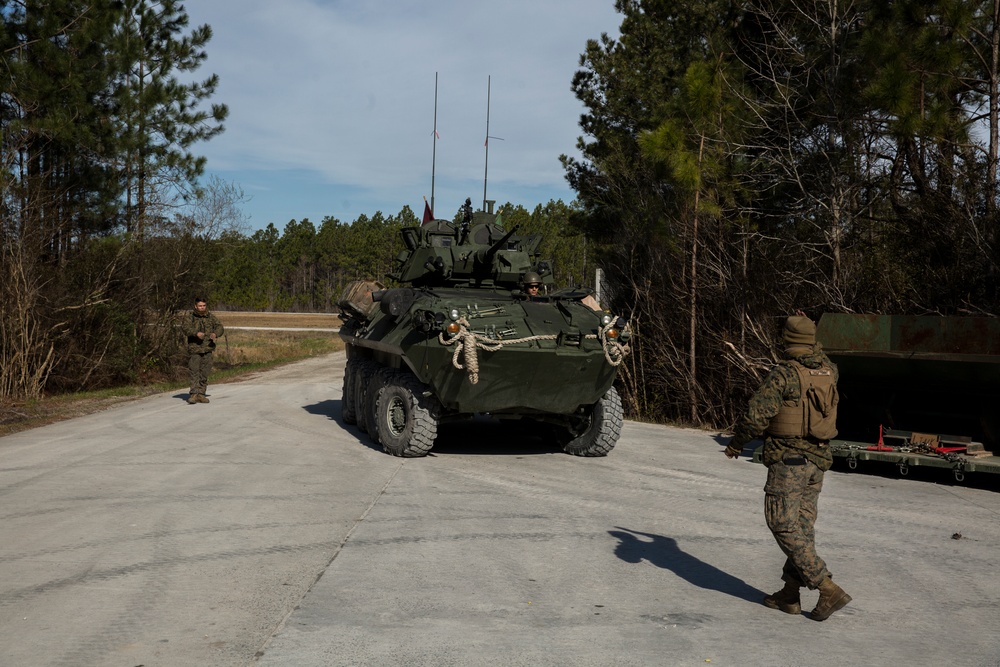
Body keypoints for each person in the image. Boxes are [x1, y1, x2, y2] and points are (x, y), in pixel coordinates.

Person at [724, 313, 851, 621]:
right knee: (802, 529)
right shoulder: (829, 370)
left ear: (788, 341)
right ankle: (790, 594)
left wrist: (737, 443)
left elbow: (756, 415)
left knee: (781, 523)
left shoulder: (784, 374)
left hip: (789, 460)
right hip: (818, 462)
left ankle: (826, 586)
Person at [183, 297, 225, 404]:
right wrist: (195, 333)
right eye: (200, 306)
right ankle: (194, 394)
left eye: (204, 306)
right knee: (194, 371)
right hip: (195, 349)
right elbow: (185, 328)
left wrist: (215, 334)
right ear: (195, 306)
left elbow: (220, 326)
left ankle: (201, 394)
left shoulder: (210, 317)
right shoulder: (190, 318)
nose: (202, 308)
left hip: (207, 348)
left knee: (205, 372)